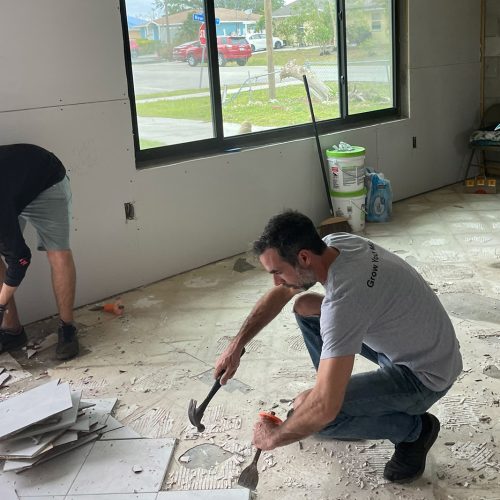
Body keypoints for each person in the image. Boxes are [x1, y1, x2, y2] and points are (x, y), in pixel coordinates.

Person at [215, 210, 462, 484]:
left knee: (320, 419)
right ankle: (331, 386)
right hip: (417, 343)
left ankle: (415, 430)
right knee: (305, 306)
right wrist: (236, 346)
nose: (276, 281)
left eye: (277, 272)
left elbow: (322, 411)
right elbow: (285, 292)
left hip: (426, 377)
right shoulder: (338, 243)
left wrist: (274, 437)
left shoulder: (344, 305)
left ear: (304, 258)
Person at [0, 143, 79, 360]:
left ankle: (67, 329)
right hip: (13, 189)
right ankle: (12, 331)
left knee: (57, 253)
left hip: (46, 181)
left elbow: (20, 259)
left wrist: (0, 303)